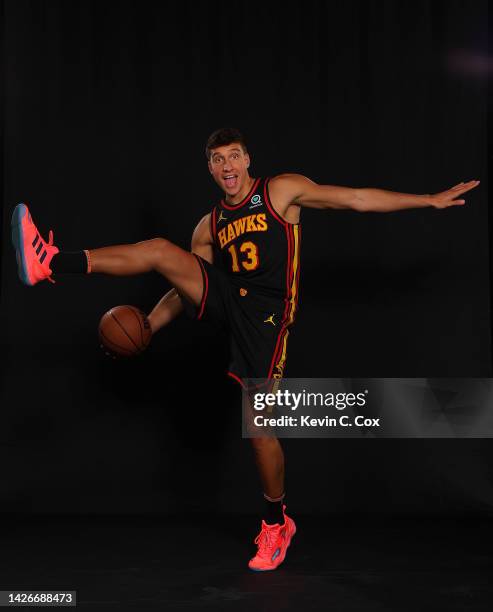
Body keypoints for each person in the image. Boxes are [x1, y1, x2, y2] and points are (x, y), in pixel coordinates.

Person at [11, 127, 479, 571]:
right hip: (229, 300)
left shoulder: (281, 191)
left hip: (268, 318)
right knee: (159, 249)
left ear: (247, 159)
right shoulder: (208, 225)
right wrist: (150, 323)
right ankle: (51, 261)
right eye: (218, 160)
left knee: (259, 429)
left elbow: (356, 198)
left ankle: (277, 523)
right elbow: (187, 287)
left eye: (234, 155)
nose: (227, 165)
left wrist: (427, 200)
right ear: (211, 170)